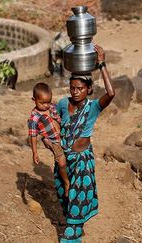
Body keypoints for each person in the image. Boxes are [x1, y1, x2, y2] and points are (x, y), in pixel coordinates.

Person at [42, 44, 115, 242]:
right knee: (64, 194)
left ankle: (72, 234)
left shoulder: (93, 108)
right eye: (72, 88)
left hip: (82, 161)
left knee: (77, 198)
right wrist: (46, 139)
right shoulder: (63, 104)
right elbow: (51, 125)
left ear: (89, 89)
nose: (75, 92)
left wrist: (101, 64)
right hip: (64, 159)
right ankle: (73, 223)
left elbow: (111, 93)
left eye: (80, 88)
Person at [28, 82, 70, 197]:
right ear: (34, 99)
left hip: (62, 135)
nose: (46, 105)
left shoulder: (51, 107)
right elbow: (33, 136)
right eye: (42, 103)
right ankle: (66, 182)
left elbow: (59, 118)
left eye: (48, 102)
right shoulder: (34, 118)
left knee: (70, 156)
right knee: (61, 162)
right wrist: (35, 152)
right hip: (53, 141)